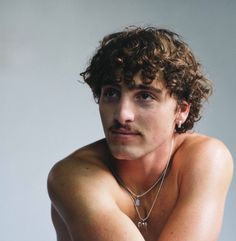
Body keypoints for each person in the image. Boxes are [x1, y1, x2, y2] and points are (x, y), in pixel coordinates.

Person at [47, 26, 233, 241]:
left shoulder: (206, 158)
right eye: (112, 93)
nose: (122, 114)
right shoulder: (73, 175)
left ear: (181, 111)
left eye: (145, 96)